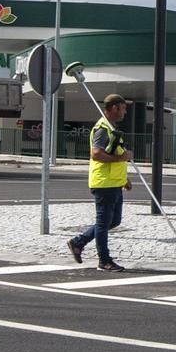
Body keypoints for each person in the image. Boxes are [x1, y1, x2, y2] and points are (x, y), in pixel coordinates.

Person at [68, 93, 134, 271]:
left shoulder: (110, 128)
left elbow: (111, 153)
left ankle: (78, 242)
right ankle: (104, 261)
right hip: (104, 183)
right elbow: (96, 153)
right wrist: (121, 158)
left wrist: (123, 178)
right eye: (123, 108)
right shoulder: (102, 129)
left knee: (113, 221)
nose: (125, 112)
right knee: (104, 223)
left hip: (113, 182)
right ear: (114, 108)